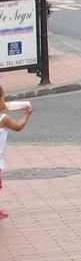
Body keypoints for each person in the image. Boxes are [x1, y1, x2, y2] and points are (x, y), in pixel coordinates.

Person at [0, 87, 32, 220]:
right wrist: (26, 114)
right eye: (3, 98)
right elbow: (18, 126)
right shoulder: (3, 119)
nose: (5, 102)